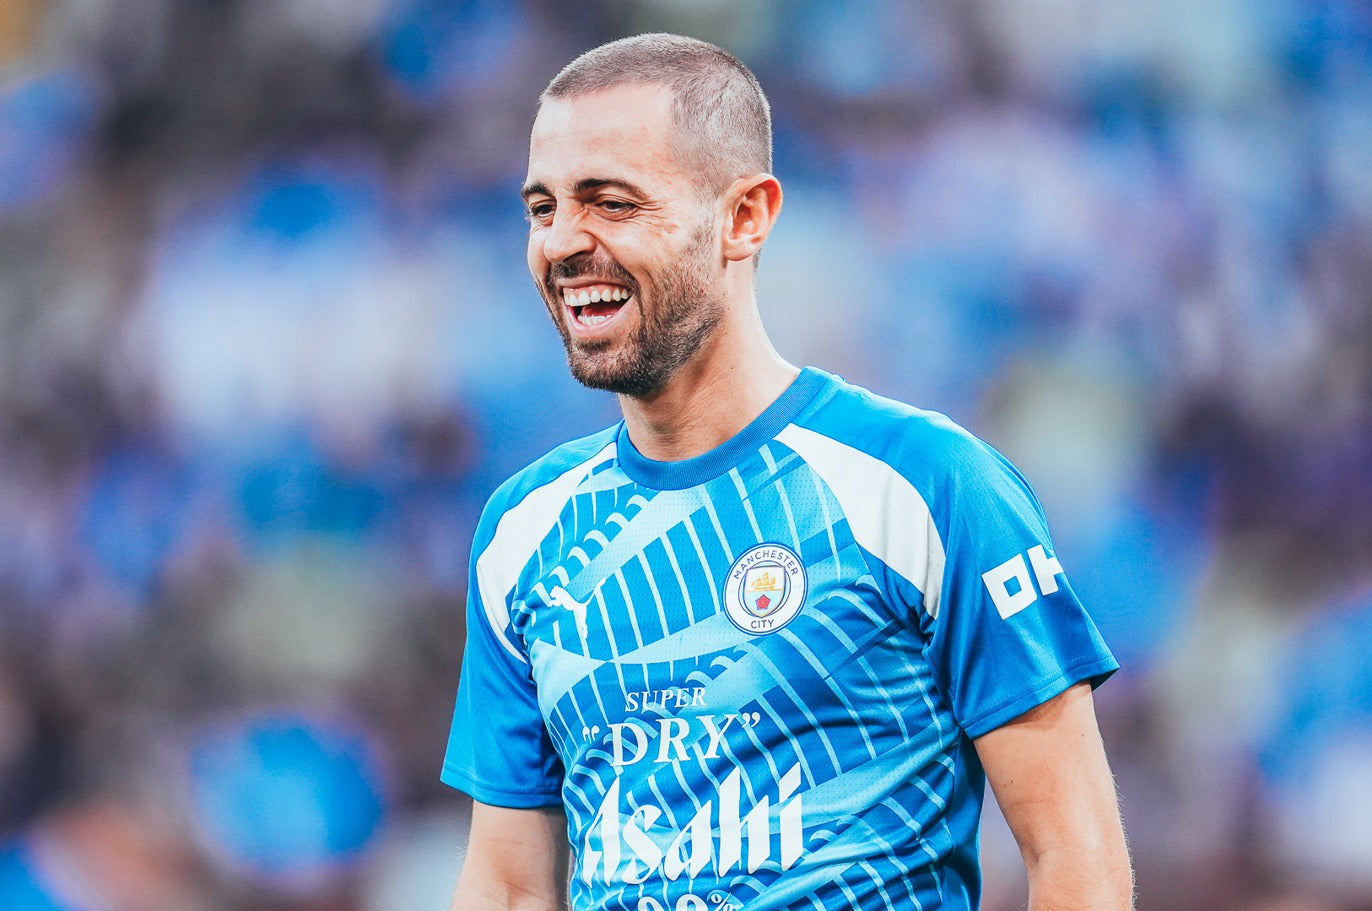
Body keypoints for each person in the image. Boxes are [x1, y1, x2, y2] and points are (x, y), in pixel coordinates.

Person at [441, 33, 1133, 911]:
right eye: (543, 208)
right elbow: (507, 886)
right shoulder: (522, 530)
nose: (564, 241)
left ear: (745, 217)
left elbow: (1076, 854)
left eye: (611, 203)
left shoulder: (927, 486)